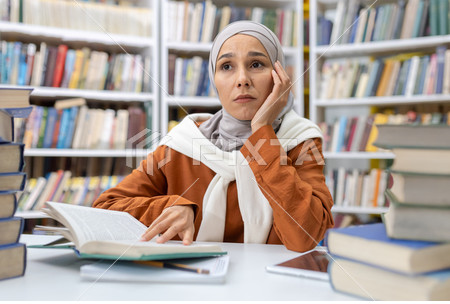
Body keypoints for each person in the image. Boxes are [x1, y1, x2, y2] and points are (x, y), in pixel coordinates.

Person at [93, 21, 334, 252]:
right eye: (227, 66)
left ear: (279, 76)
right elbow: (105, 209)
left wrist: (261, 130)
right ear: (214, 80)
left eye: (256, 64)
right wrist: (171, 207)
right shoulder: (182, 143)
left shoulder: (301, 141)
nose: (242, 80)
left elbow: (305, 236)